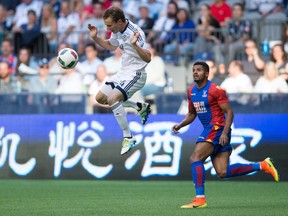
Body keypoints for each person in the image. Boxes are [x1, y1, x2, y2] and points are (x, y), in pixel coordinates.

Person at [172, 61, 279, 209]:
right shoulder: (191, 91)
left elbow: (229, 112)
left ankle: (200, 199)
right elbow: (191, 113)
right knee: (222, 172)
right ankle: (263, 165)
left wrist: (224, 132)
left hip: (217, 128)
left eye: (199, 70)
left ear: (207, 73)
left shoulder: (216, 90)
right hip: (213, 130)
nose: (195, 72)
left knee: (195, 157)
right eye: (194, 70)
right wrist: (180, 124)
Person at [88, 6, 151, 155]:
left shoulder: (135, 33)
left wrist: (134, 44)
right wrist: (95, 37)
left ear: (120, 22)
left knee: (112, 98)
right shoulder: (117, 30)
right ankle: (140, 107)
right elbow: (111, 46)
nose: (108, 28)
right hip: (123, 72)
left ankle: (128, 136)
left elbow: (148, 58)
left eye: (110, 25)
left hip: (136, 74)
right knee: (100, 98)